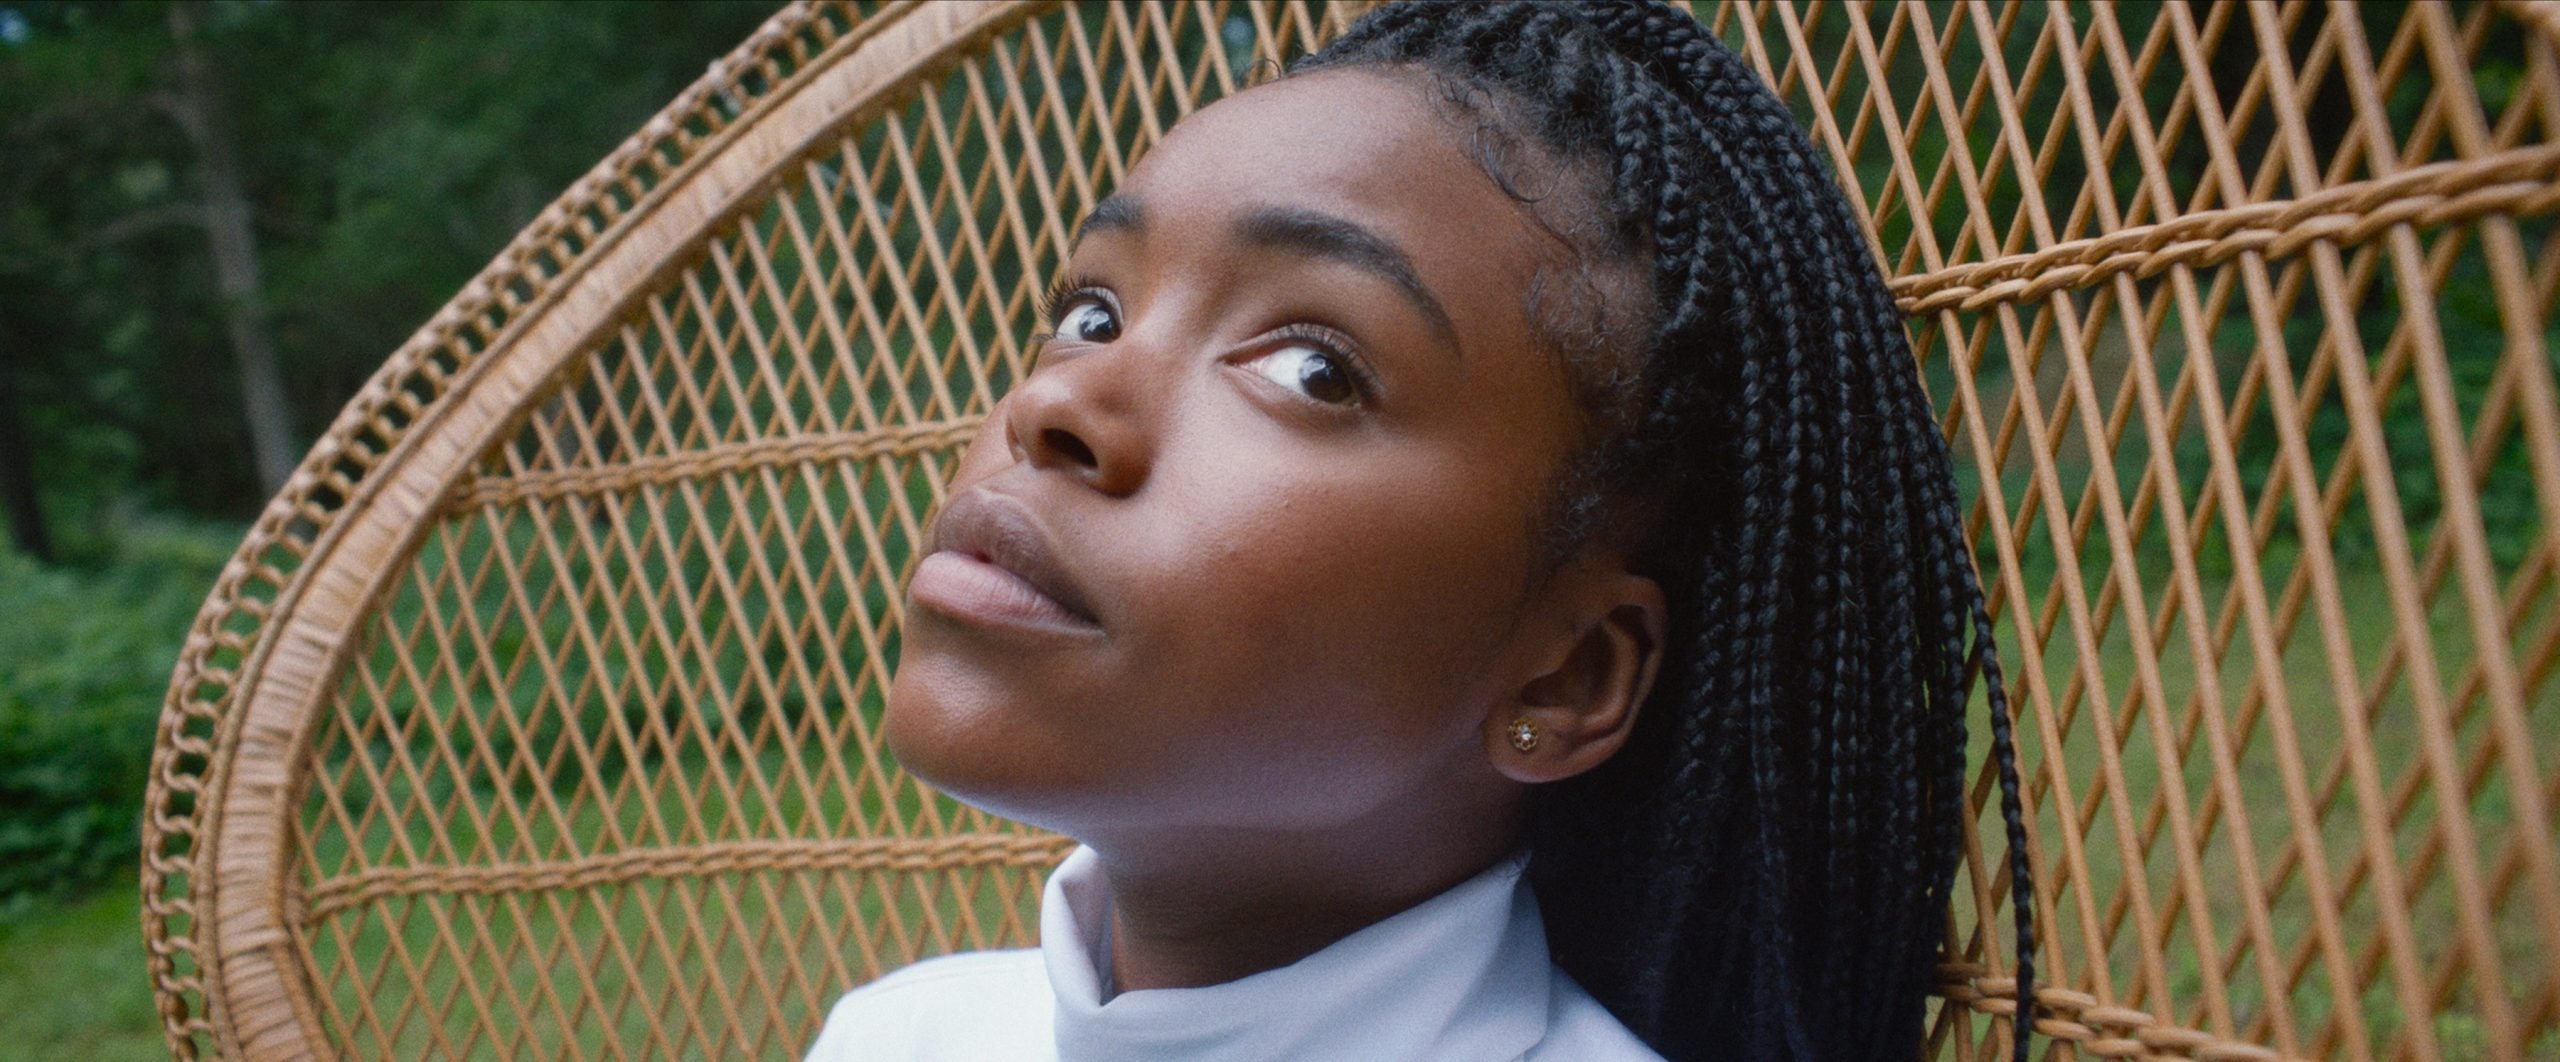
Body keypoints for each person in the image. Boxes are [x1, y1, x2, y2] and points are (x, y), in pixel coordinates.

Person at [804, 1, 2036, 1059]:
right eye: (1089, 313)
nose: (1056, 405)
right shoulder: (897, 1033)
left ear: (1565, 677)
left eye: (1312, 369)